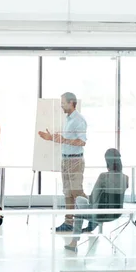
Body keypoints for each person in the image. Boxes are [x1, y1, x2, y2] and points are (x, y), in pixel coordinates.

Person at [38, 92, 87, 232]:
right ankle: (69, 223)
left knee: (77, 192)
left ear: (71, 103)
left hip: (75, 160)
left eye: (63, 103)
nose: (61, 105)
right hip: (66, 159)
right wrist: (50, 137)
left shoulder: (79, 120)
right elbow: (64, 139)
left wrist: (62, 139)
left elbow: (82, 142)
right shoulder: (68, 119)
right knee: (67, 192)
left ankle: (93, 217)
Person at [64, 148, 129, 252]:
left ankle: (74, 242)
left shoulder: (103, 176)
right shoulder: (126, 178)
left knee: (79, 201)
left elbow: (93, 199)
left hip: (98, 214)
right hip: (116, 214)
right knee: (87, 205)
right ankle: (91, 226)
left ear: (107, 162)